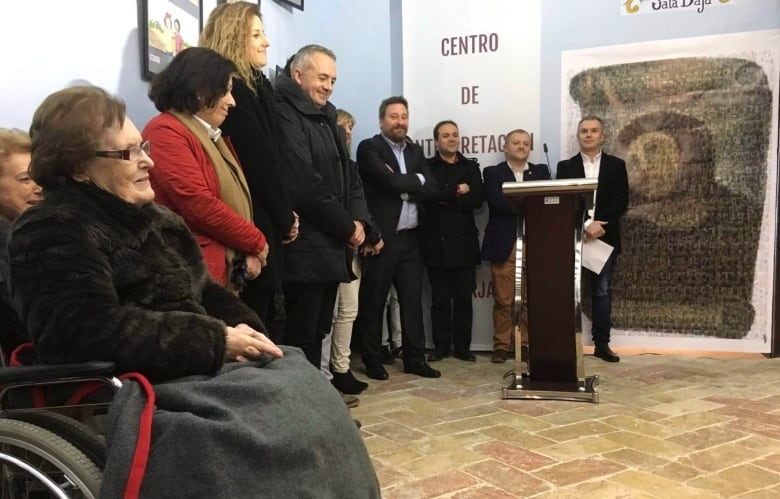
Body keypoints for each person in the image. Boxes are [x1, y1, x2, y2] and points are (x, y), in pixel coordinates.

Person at [7, 85, 380, 497]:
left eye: (143, 146)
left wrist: (244, 328)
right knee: (256, 437)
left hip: (193, 365)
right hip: (131, 383)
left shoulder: (159, 220)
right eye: (129, 153)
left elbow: (205, 293)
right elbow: (80, 332)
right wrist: (215, 340)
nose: (147, 159)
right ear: (78, 168)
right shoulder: (52, 229)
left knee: (306, 390)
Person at [275, 45, 377, 368]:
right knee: (301, 336)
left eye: (332, 79)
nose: (328, 86)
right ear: (297, 74)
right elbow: (305, 183)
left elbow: (350, 175)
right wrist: (348, 227)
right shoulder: (284, 112)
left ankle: (319, 409)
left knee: (320, 330)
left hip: (333, 246)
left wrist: (361, 223)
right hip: (305, 250)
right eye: (322, 77)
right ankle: (303, 414)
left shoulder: (328, 116)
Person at [199, 1, 297, 338]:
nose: (266, 41)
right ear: (232, 38)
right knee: (256, 323)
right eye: (256, 34)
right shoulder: (238, 91)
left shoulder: (255, 88)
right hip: (251, 223)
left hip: (262, 220)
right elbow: (261, 163)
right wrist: (286, 217)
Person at [143, 47, 268, 294]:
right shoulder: (165, 132)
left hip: (214, 272)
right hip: (189, 274)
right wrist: (255, 241)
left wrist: (247, 247)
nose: (232, 102)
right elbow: (199, 203)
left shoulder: (207, 135)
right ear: (200, 91)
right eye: (227, 90)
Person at [356, 96, 440, 380]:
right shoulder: (370, 148)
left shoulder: (415, 151)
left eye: (404, 116)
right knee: (374, 301)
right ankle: (372, 359)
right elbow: (387, 182)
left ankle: (415, 358)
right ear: (382, 120)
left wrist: (406, 184)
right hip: (382, 240)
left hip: (411, 240)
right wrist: (415, 181)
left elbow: (433, 188)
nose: (400, 121)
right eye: (393, 116)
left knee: (412, 301)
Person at [556, 115, 628, 363]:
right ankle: (565, 343)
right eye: (584, 131)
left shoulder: (617, 165)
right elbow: (564, 201)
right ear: (578, 136)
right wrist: (586, 223)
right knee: (568, 293)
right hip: (574, 236)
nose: (588, 134)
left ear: (602, 135)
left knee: (602, 292)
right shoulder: (565, 167)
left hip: (605, 238)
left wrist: (598, 225)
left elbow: (621, 201)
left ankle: (601, 344)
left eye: (593, 130)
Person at [481, 129, 550, 363]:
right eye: (516, 143)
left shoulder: (540, 171)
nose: (521, 146)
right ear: (506, 147)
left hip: (534, 242)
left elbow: (544, 204)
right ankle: (501, 345)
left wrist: (517, 200)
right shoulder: (492, 172)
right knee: (504, 300)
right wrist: (527, 202)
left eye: (526, 143)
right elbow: (496, 202)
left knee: (529, 298)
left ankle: (525, 343)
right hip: (504, 243)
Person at [423, 120, 483, 362]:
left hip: (464, 244)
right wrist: (457, 192)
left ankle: (462, 347)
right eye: (446, 135)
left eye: (455, 135)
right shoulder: (427, 166)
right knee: (439, 301)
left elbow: (477, 199)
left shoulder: (470, 167)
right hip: (435, 243)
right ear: (436, 140)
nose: (451, 139)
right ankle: (440, 347)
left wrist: (446, 196)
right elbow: (429, 196)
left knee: (463, 301)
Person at [329, 108, 379, 396]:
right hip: (332, 246)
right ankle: (326, 373)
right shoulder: (325, 163)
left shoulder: (351, 165)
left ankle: (341, 367)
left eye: (351, 126)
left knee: (349, 311)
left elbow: (361, 203)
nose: (348, 131)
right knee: (329, 314)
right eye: (343, 125)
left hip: (354, 246)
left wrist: (367, 232)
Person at [0, 128, 41, 356]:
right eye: (25, 179)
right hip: (38, 376)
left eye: (39, 176)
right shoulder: (11, 244)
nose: (39, 187)